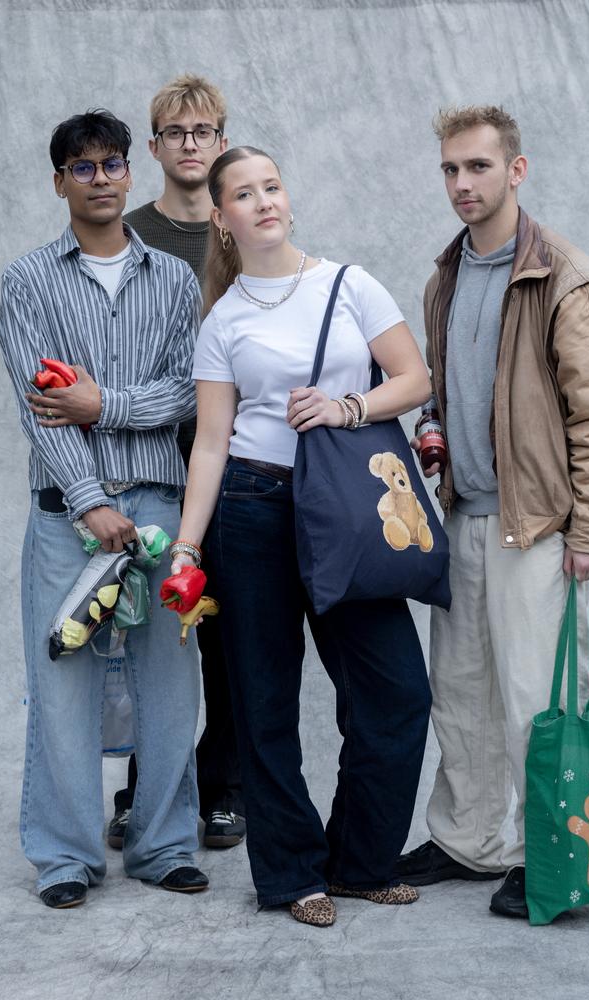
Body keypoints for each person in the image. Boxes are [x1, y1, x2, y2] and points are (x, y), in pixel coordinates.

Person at [170, 145, 433, 926]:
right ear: (222, 219)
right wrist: (187, 547)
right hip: (252, 511)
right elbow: (211, 443)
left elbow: (415, 379)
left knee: (395, 692)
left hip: (347, 508)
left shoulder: (349, 285)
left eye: (272, 186)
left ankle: (359, 861)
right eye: (244, 195)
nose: (263, 202)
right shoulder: (222, 320)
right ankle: (291, 875)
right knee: (263, 701)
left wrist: (349, 408)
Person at [395, 105, 589, 918]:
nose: (462, 185)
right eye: (450, 170)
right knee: (460, 692)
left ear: (516, 170)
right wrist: (435, 433)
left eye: (478, 167)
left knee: (539, 700)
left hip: (538, 528)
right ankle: (470, 841)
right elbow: (449, 387)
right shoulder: (447, 276)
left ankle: (554, 855)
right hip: (463, 517)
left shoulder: (565, 276)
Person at [0, 109, 208, 908]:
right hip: (65, 518)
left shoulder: (175, 279)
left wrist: (101, 402)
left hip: (157, 510)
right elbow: (39, 406)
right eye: (82, 168)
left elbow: (188, 391)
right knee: (63, 687)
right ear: (60, 182)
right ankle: (66, 857)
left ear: (131, 172)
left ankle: (162, 846)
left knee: (168, 683)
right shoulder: (29, 280)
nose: (100, 179)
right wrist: (89, 503)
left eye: (112, 164)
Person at [107, 74, 246, 854]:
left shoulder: (244, 228)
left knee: (229, 634)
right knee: (147, 636)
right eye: (175, 132)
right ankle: (143, 790)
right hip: (152, 463)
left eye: (204, 131)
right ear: (155, 146)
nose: (190, 145)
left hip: (235, 465)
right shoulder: (126, 235)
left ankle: (224, 788)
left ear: (220, 142)